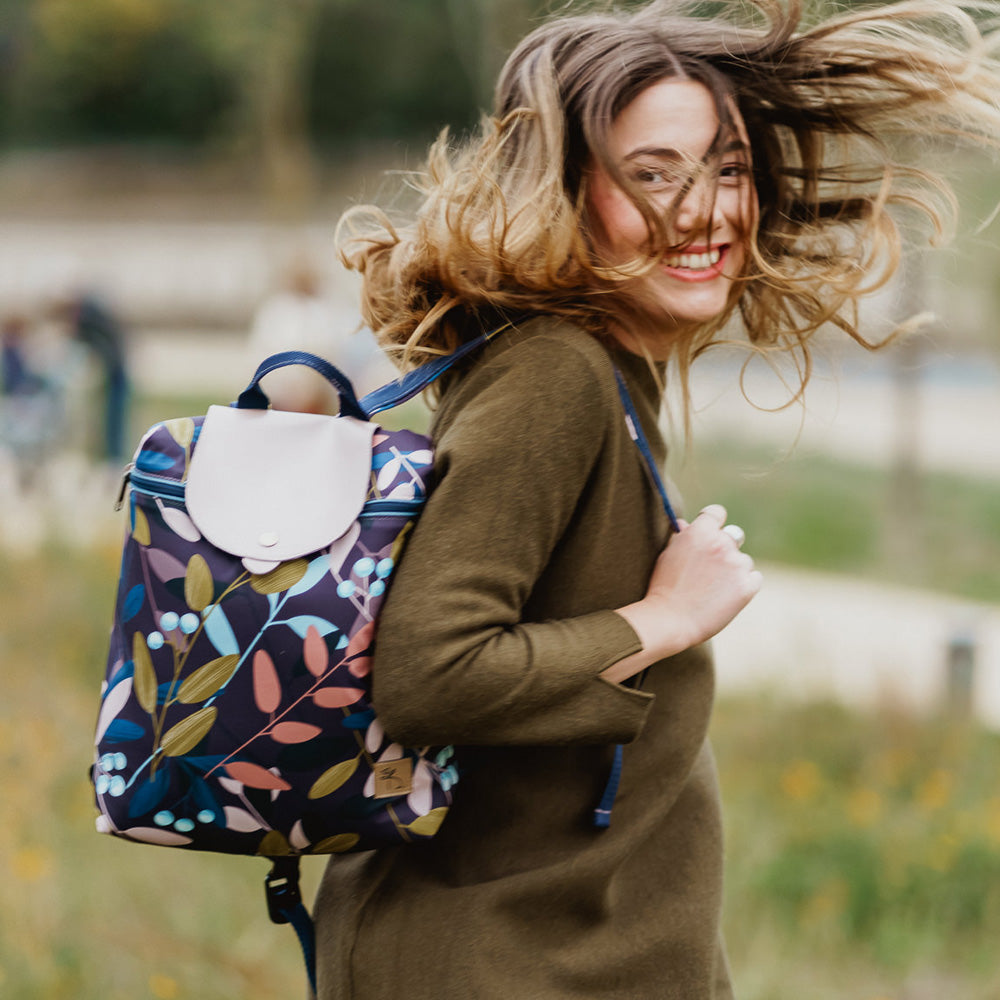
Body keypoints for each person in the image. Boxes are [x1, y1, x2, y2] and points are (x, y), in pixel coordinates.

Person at [313, 2, 1000, 997]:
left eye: (727, 168)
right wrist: (664, 619)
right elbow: (430, 675)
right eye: (653, 173)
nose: (704, 210)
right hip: (500, 964)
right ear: (566, 190)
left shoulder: (596, 370)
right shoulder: (553, 373)